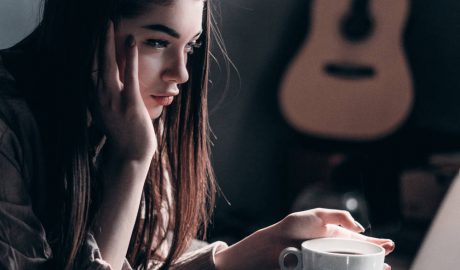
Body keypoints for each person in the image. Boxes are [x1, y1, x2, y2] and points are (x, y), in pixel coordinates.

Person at [0, 0, 395, 269]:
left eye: (190, 46)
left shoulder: (127, 118)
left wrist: (254, 249)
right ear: (85, 30)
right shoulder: (10, 129)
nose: (181, 74)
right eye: (157, 41)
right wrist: (133, 161)